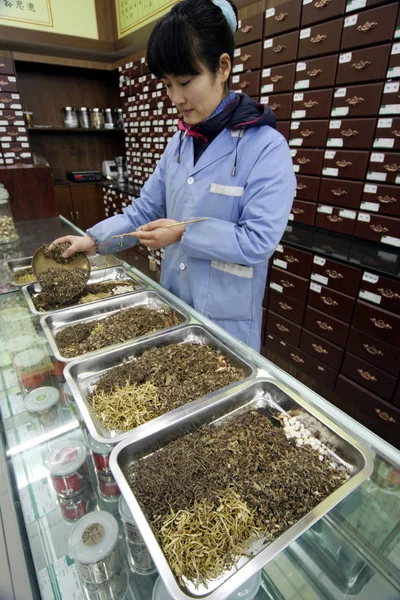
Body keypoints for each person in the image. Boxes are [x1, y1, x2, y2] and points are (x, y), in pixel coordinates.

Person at [51, 0, 296, 351]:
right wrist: (93, 241)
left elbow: (257, 241)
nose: (176, 98)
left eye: (185, 81)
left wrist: (184, 232)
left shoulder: (266, 148)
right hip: (173, 305)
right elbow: (144, 211)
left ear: (222, 67)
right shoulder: (179, 144)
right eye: (167, 84)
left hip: (226, 319)